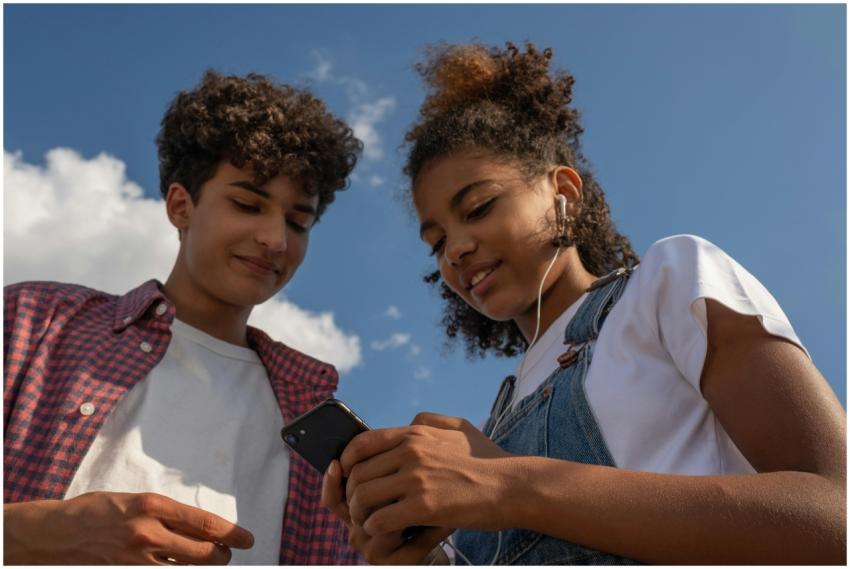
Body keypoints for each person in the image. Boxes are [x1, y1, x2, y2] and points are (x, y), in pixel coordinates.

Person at [321, 42, 846, 565]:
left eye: (479, 207)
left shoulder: (668, 283)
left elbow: (835, 514)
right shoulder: (494, 424)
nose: (455, 249)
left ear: (564, 193)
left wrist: (508, 484)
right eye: (436, 242)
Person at [4, 70, 363, 565]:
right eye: (247, 204)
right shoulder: (32, 323)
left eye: (298, 222)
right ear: (180, 206)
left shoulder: (314, 416)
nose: (275, 239)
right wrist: (34, 535)